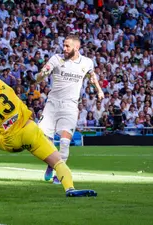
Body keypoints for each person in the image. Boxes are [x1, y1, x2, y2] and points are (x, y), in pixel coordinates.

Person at [34, 35, 104, 183]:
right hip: (52, 105)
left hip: (70, 106)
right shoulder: (56, 59)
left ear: (76, 48)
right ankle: (51, 164)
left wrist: (99, 90)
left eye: (67, 46)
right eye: (63, 45)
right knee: (44, 141)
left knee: (65, 142)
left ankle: (59, 174)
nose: (64, 49)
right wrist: (42, 75)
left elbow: (92, 77)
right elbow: (39, 77)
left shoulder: (87, 62)